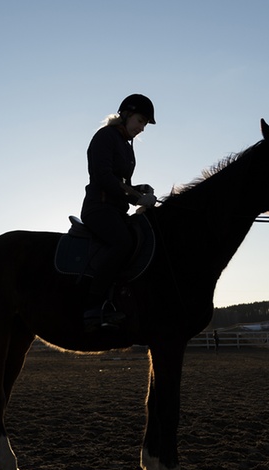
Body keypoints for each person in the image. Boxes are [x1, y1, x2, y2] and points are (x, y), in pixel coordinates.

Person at [81, 94, 158, 328]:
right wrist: (136, 197)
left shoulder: (126, 146)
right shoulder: (105, 137)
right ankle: (94, 305)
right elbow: (104, 177)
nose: (142, 128)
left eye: (145, 123)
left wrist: (139, 190)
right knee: (122, 243)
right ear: (125, 115)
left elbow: (121, 182)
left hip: (116, 210)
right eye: (140, 120)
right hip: (99, 209)